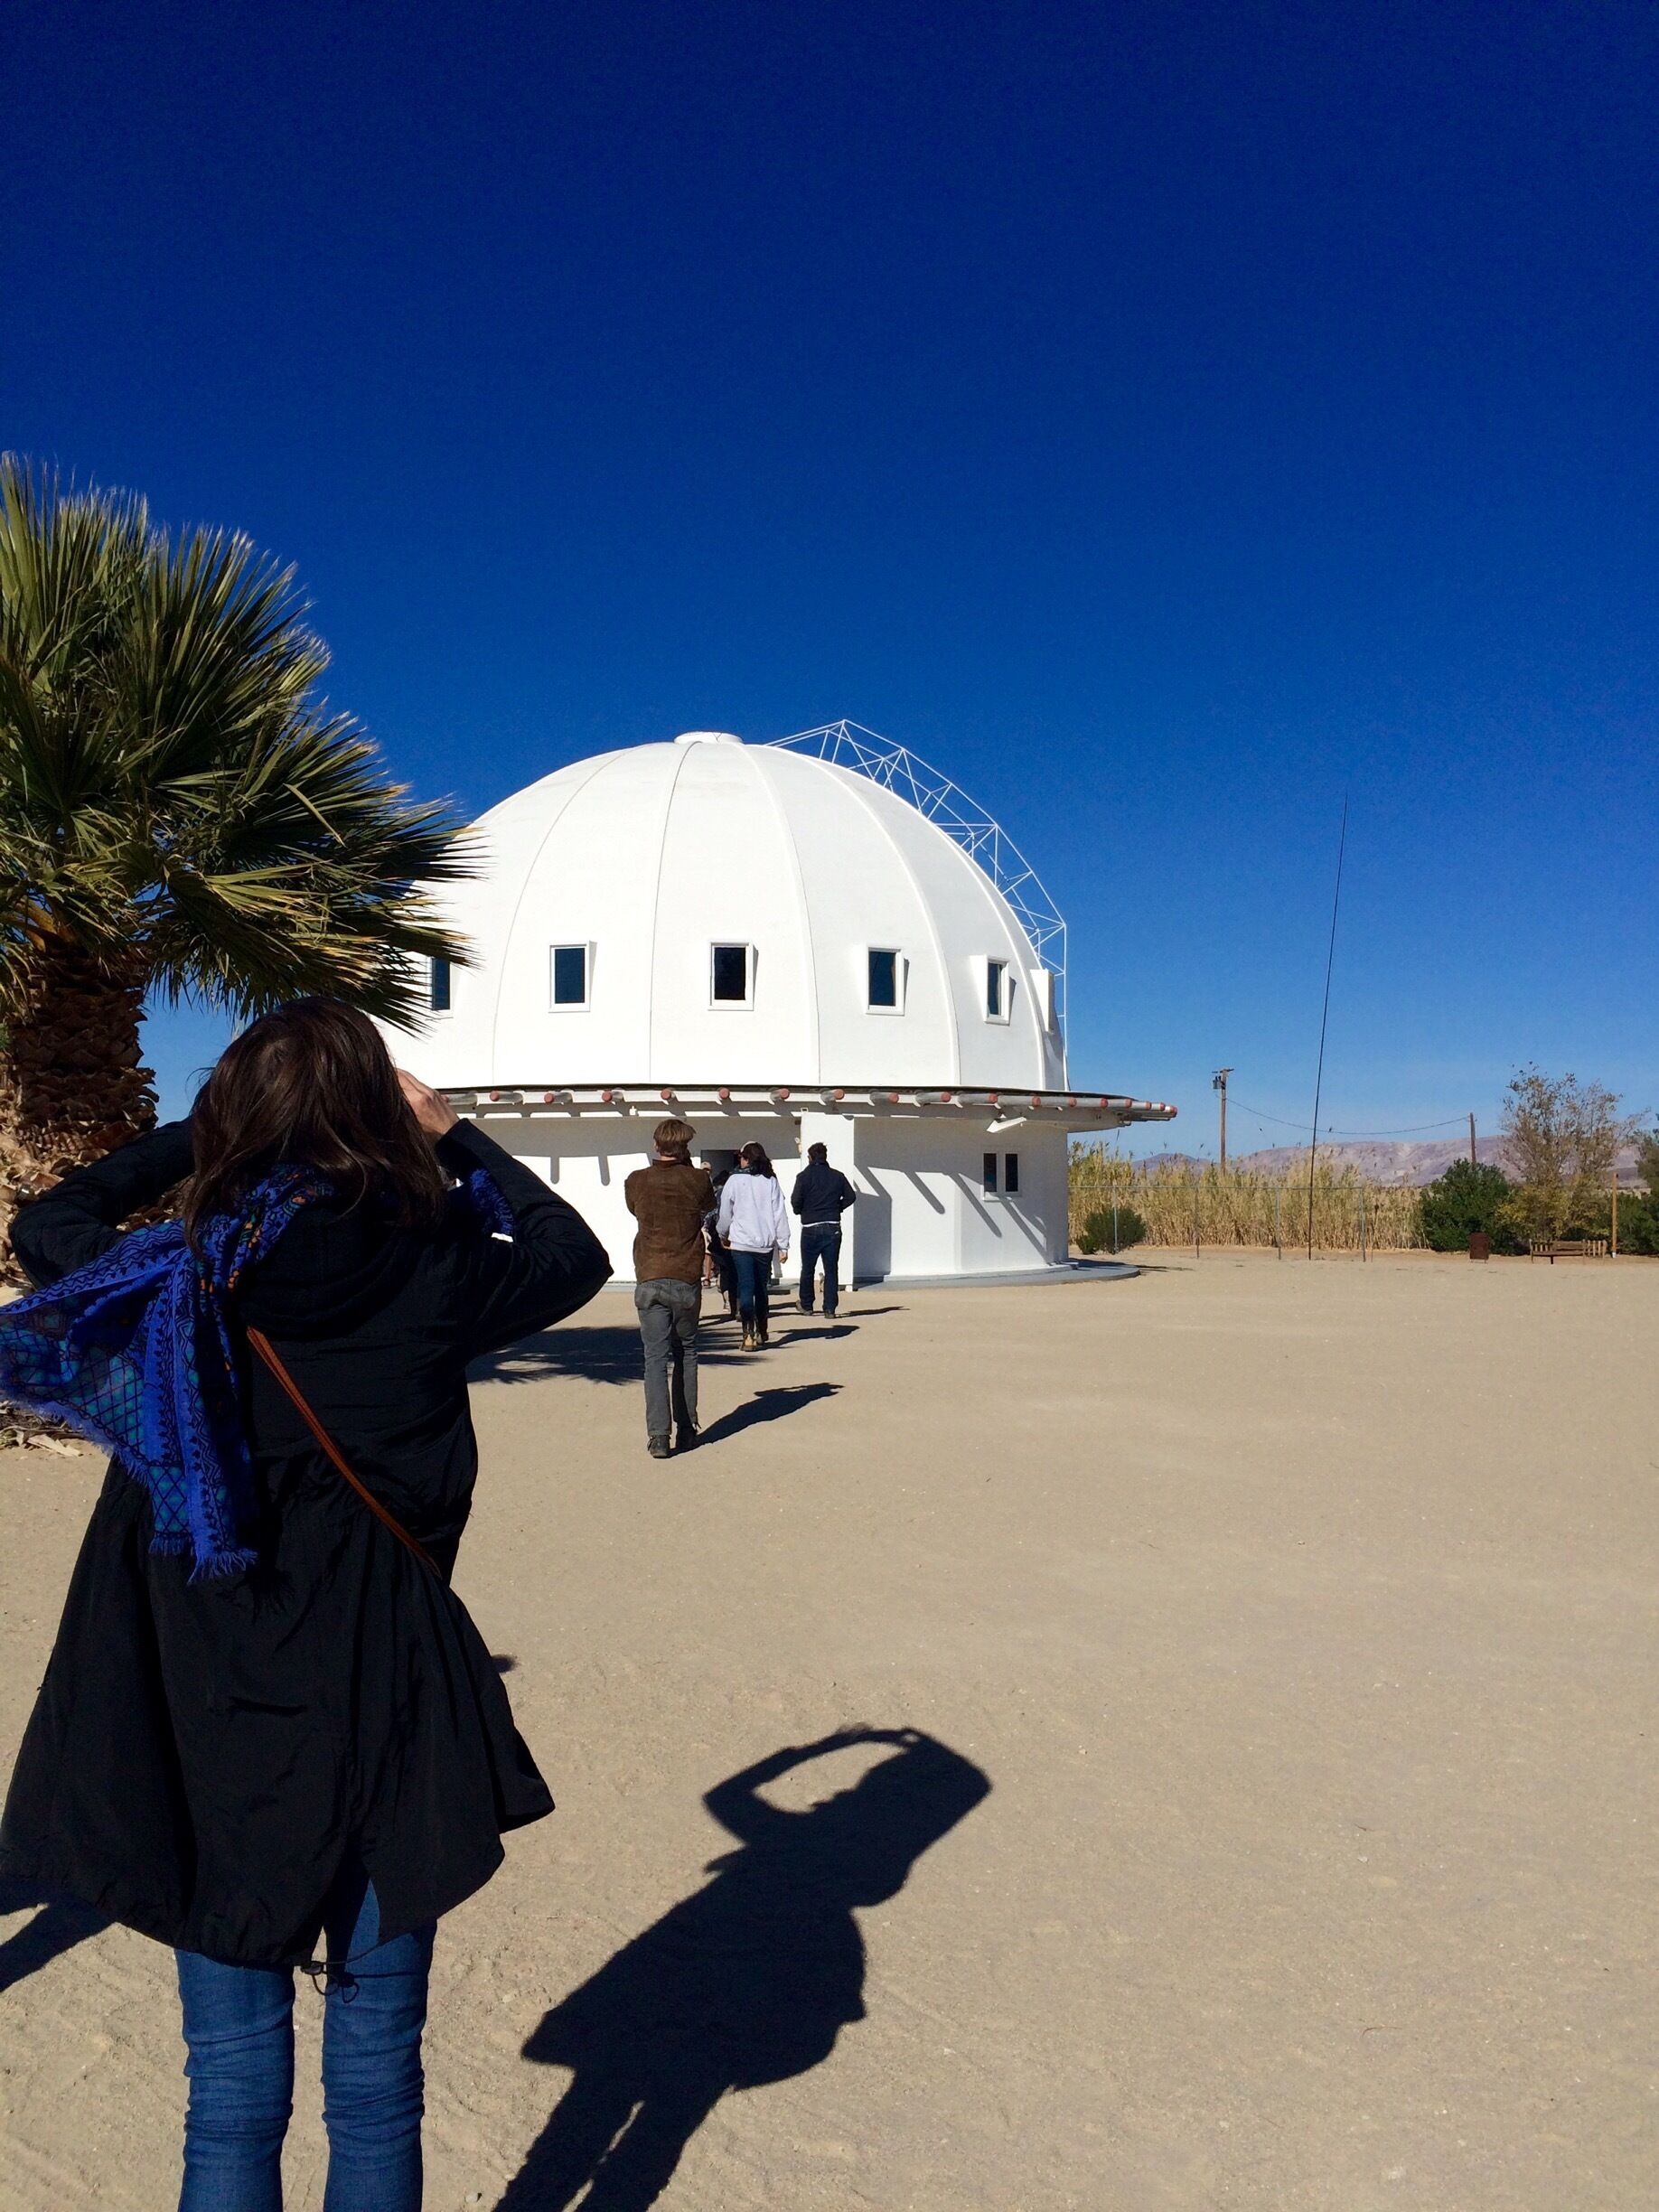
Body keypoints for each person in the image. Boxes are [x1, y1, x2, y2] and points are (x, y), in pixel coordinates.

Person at [0, 998, 612, 2212]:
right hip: (387, 1694)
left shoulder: (170, 1284)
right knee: (377, 2078)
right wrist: (451, 1137)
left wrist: (211, 1133)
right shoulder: (431, 1268)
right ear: (373, 1122)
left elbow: (49, 1220)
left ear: (238, 1116)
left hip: (208, 1704)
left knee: (229, 2080)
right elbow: (569, 1254)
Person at [623, 1119, 715, 1460]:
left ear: (656, 1144)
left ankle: (658, 1436)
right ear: (685, 1147)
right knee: (686, 1352)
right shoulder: (697, 1180)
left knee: (654, 1359)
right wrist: (689, 1167)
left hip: (649, 1273)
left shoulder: (637, 1180)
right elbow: (706, 1205)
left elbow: (635, 1209)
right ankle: (687, 1428)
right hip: (685, 1275)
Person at [715, 1142, 790, 1351]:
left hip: (740, 1243)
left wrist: (723, 1233)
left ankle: (748, 1333)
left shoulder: (734, 1180)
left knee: (745, 1287)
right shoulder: (771, 1181)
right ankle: (762, 1329)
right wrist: (783, 1244)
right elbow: (779, 1214)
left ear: (745, 1158)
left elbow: (725, 1213)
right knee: (761, 1288)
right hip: (764, 1244)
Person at [790, 1141, 858, 1317]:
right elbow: (851, 1196)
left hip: (811, 1226)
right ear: (825, 1157)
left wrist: (802, 1211)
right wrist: (838, 1207)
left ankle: (807, 1304)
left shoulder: (803, 1177)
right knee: (831, 1268)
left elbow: (795, 1201)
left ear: (810, 1158)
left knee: (808, 1268)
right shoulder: (837, 1176)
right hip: (832, 1226)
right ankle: (829, 1308)